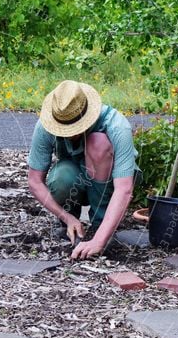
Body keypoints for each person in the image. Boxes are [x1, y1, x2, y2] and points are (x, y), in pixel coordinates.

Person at [27, 80, 138, 260]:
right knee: (61, 177)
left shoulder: (116, 125)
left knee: (98, 143)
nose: (70, 134)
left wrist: (99, 241)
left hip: (109, 181)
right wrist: (65, 216)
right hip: (75, 177)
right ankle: (71, 223)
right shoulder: (45, 126)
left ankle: (100, 226)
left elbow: (124, 189)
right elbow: (34, 181)